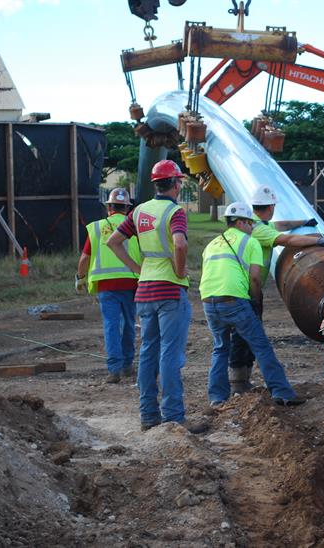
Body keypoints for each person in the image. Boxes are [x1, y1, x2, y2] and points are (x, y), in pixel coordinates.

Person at [107, 159, 207, 434]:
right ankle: (174, 416)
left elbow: (112, 241)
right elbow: (179, 242)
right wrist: (180, 268)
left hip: (145, 289)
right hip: (169, 289)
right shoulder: (175, 211)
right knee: (170, 354)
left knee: (148, 351)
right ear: (176, 183)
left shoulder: (138, 211)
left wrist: (136, 269)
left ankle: (148, 415)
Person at [200, 202, 306, 407]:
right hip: (234, 300)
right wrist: (255, 301)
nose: (252, 228)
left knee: (220, 348)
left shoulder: (212, 243)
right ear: (240, 222)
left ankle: (217, 398)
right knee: (261, 346)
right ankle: (282, 392)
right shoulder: (250, 243)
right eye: (250, 223)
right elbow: (255, 278)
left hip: (208, 301)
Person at [228, 185, 324, 393]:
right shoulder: (260, 230)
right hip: (248, 290)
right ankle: (240, 383)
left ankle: (239, 381)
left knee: (240, 337)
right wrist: (320, 240)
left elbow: (280, 226)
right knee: (248, 337)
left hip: (238, 287)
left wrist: (303, 222)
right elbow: (288, 239)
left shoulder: (257, 225)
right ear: (271, 207)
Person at [76, 188, 141, 383]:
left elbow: (84, 258)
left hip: (106, 286)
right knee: (130, 323)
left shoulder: (96, 228)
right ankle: (128, 365)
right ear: (128, 208)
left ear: (109, 208)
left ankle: (114, 370)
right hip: (131, 283)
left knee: (111, 325)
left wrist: (80, 278)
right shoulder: (135, 226)